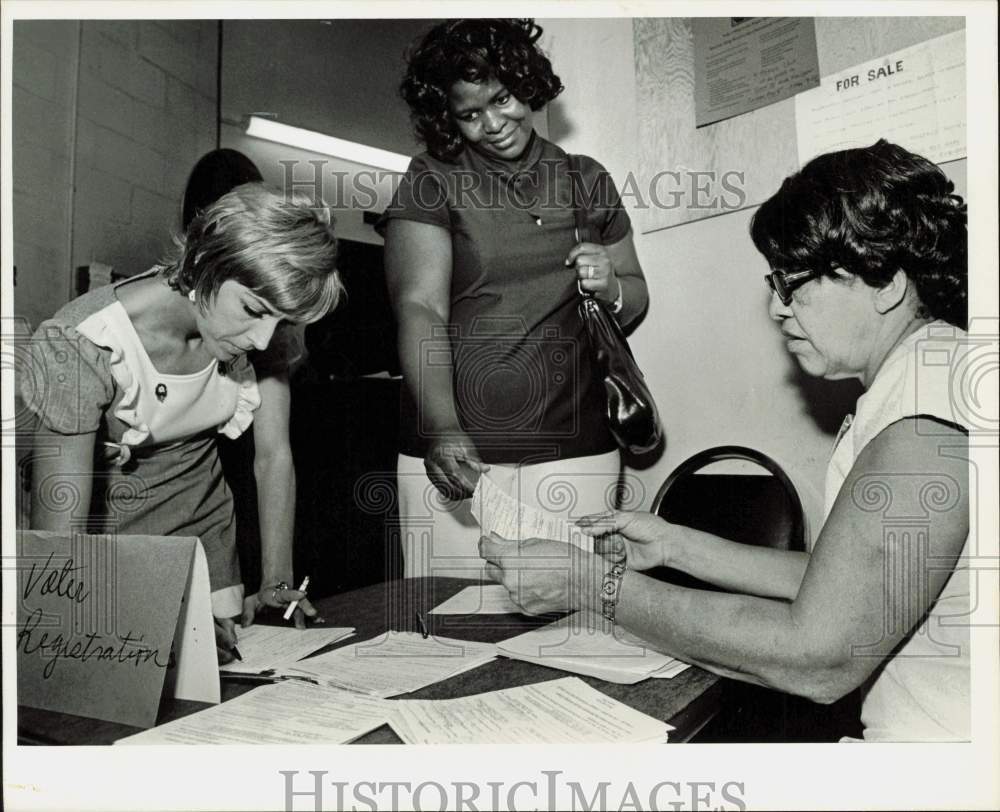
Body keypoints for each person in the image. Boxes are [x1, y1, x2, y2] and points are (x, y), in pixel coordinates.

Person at [480, 140, 971, 741]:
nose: (775, 307)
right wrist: (676, 547)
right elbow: (846, 589)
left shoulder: (926, 416)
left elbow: (819, 655)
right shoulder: (934, 374)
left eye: (792, 282)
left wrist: (591, 585)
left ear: (886, 282)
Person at [21, 183, 343, 662]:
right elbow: (59, 552)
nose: (262, 340)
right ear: (205, 263)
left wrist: (276, 580)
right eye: (254, 311)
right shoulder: (81, 342)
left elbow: (273, 457)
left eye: (281, 321)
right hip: (106, 561)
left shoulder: (267, 328)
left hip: (204, 546)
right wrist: (147, 621)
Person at [379, 18, 649, 578]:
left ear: (526, 84)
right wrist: (442, 426)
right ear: (448, 118)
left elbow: (636, 295)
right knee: (449, 632)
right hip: (463, 456)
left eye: (501, 99)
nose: (494, 123)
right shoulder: (432, 178)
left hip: (577, 452)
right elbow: (419, 307)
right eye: (470, 114)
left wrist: (612, 285)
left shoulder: (585, 178)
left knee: (575, 628)